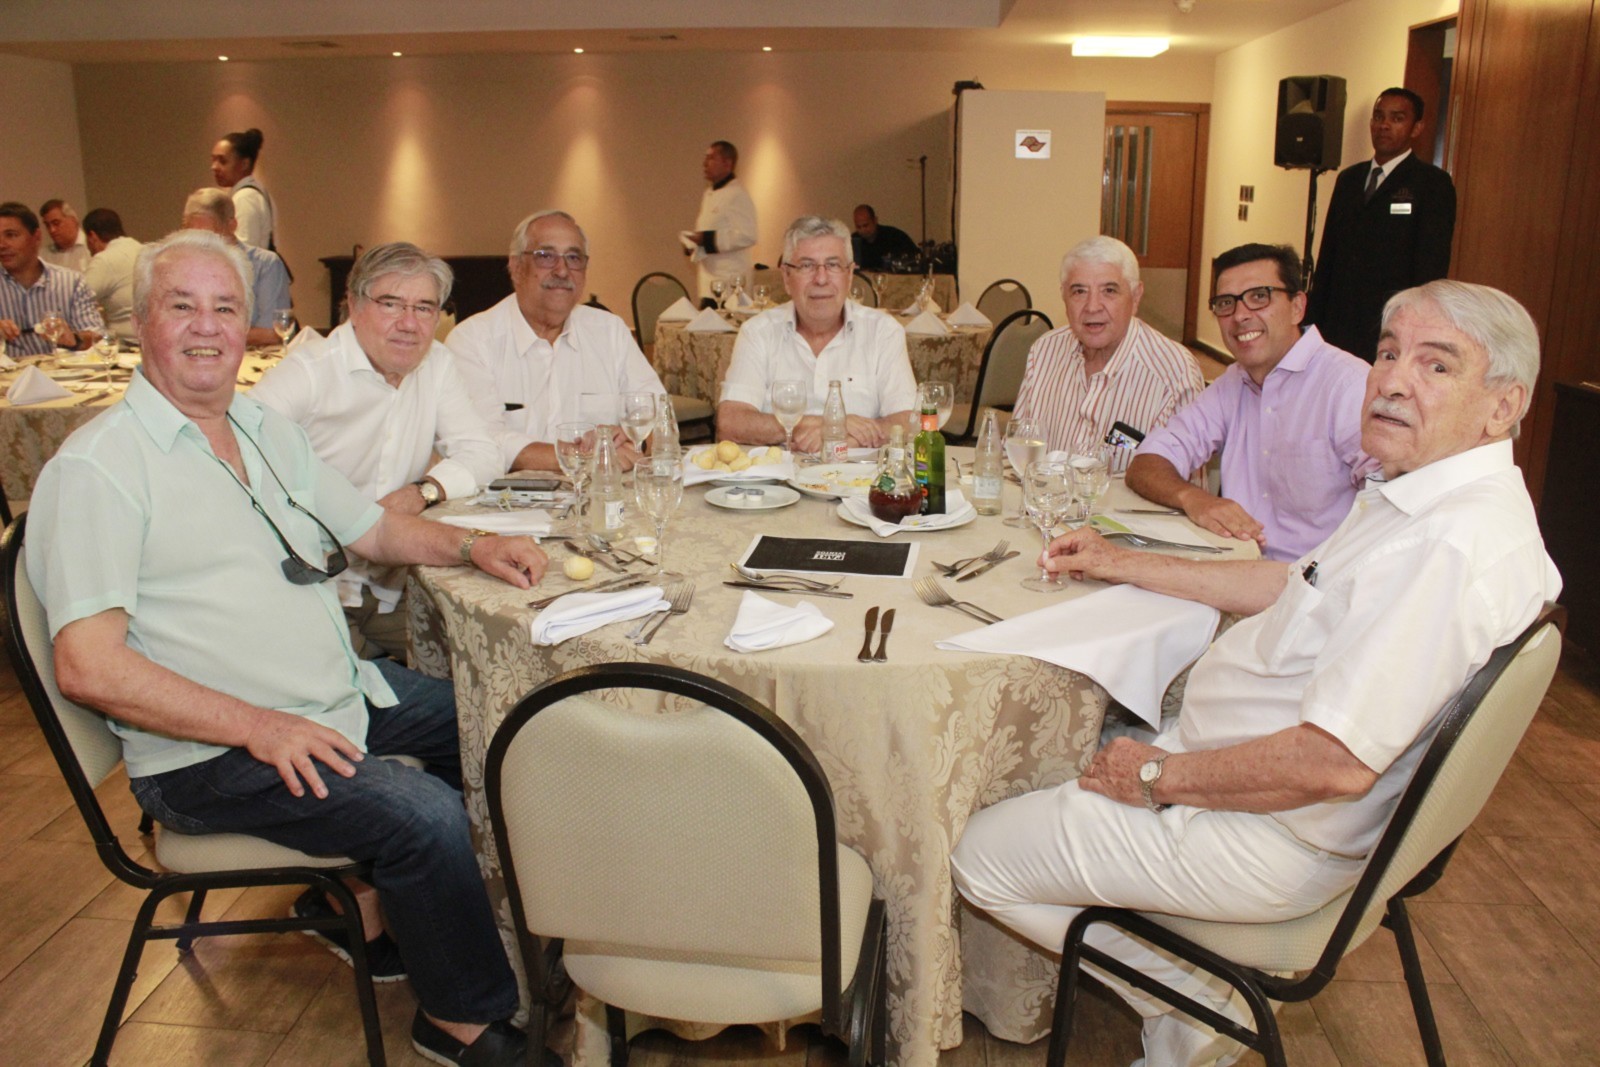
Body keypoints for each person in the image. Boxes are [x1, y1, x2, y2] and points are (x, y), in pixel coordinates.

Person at [953, 279, 1561, 1067]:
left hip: (1270, 830)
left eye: (1437, 365)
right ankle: (1192, 1003)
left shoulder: (1446, 549)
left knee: (977, 854)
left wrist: (1158, 776)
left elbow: (1334, 763)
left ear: (1503, 405)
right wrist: (1121, 561)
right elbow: (1291, 582)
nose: (1393, 379)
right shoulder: (1432, 501)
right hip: (1260, 793)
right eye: (1388, 353)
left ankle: (1203, 1001)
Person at [26, 228, 550, 1067]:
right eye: (183, 305)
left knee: (504, 722)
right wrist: (260, 726)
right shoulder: (99, 468)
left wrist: (472, 546)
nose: (207, 327)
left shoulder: (261, 427)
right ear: (141, 321)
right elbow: (88, 665)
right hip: (211, 752)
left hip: (335, 692)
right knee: (425, 816)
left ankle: (425, 919)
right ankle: (457, 1017)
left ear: (250, 323)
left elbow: (370, 526)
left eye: (225, 307)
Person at [253, 242, 501, 661]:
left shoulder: (436, 364)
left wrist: (421, 492)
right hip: (313, 590)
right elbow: (236, 451)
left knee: (486, 661)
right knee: (382, 694)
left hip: (393, 588)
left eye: (424, 307)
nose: (409, 323)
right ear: (353, 305)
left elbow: (483, 453)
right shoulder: (309, 372)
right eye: (391, 304)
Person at [1126, 243, 1373, 562]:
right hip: (1237, 568)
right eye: (1226, 303)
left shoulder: (1348, 385)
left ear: (1297, 307)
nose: (1240, 315)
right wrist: (1194, 498)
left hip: (1316, 580)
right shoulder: (1231, 384)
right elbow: (1147, 462)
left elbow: (1397, 501)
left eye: (1259, 296)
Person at [448, 209, 664, 473]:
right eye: (546, 256)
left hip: (601, 493)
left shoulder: (610, 332)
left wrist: (633, 439)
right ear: (516, 267)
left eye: (573, 258)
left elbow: (659, 415)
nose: (562, 270)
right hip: (508, 495)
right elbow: (479, 441)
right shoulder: (473, 341)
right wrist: (583, 457)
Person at [717, 215, 916, 451]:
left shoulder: (883, 331)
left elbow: (910, 421)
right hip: (778, 472)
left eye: (833, 265)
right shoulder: (758, 332)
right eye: (806, 266)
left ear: (850, 275)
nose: (821, 279)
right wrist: (820, 425)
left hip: (859, 471)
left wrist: (848, 439)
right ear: (786, 277)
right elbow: (730, 422)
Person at [1014, 235, 1203, 470]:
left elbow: (1181, 482)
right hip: (1045, 493)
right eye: (1079, 291)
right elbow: (1018, 454)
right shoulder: (1044, 352)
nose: (1092, 306)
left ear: (1136, 297)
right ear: (1064, 297)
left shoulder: (1175, 372)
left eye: (1109, 290)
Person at [1307, 88, 1456, 363]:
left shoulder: (1431, 184)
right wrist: (1314, 319)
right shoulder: (1349, 180)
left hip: (1389, 322)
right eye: (1378, 117)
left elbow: (1430, 266)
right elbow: (1328, 254)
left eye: (1397, 118)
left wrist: (1416, 323)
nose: (1384, 125)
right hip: (1338, 320)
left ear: (1416, 128)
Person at [181, 187, 292, 348]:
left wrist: (208, 334)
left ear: (232, 226)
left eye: (208, 234)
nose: (199, 242)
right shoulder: (181, 267)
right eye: (191, 235)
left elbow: (272, 333)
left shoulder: (265, 265)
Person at [0, 201, 104, 356]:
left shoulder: (71, 282)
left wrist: (74, 338)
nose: (2, 245)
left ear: (36, 237)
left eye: (11, 235)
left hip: (62, 368)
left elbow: (97, 336)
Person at [682, 140, 758, 301]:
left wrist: (707, 239)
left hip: (730, 284)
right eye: (705, 158)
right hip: (709, 282)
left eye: (711, 158)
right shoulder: (709, 194)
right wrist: (693, 244)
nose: (705, 163)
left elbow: (748, 235)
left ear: (727, 163)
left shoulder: (737, 194)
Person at [210, 127, 278, 251]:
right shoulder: (257, 192)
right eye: (213, 160)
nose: (214, 167)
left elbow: (244, 251)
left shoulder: (245, 197)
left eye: (222, 161)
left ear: (244, 164)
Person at [82, 208, 142, 342]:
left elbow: (79, 299)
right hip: (151, 340)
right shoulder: (143, 249)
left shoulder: (104, 260)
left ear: (92, 237)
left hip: (126, 341)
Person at [850, 204, 919, 273]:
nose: (862, 230)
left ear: (875, 220)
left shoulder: (894, 236)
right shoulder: (854, 241)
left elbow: (914, 258)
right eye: (858, 227)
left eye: (866, 225)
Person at [39, 199, 92, 274]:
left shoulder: (92, 248)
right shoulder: (43, 256)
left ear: (73, 220)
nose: (52, 230)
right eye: (47, 225)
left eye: (56, 223)